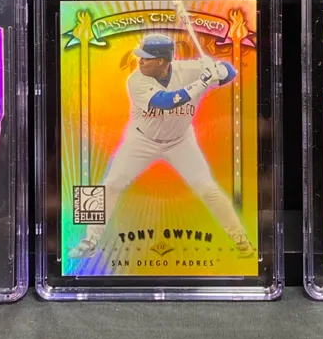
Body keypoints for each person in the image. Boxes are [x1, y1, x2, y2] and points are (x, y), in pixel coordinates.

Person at [69, 32, 252, 259]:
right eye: (141, 56)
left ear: (162, 61)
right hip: (141, 140)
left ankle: (240, 238)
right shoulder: (136, 80)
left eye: (146, 58)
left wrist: (219, 70)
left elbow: (231, 72)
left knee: (208, 188)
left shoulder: (188, 70)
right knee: (111, 184)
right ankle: (89, 240)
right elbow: (165, 102)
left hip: (181, 141)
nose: (140, 61)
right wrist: (203, 82)